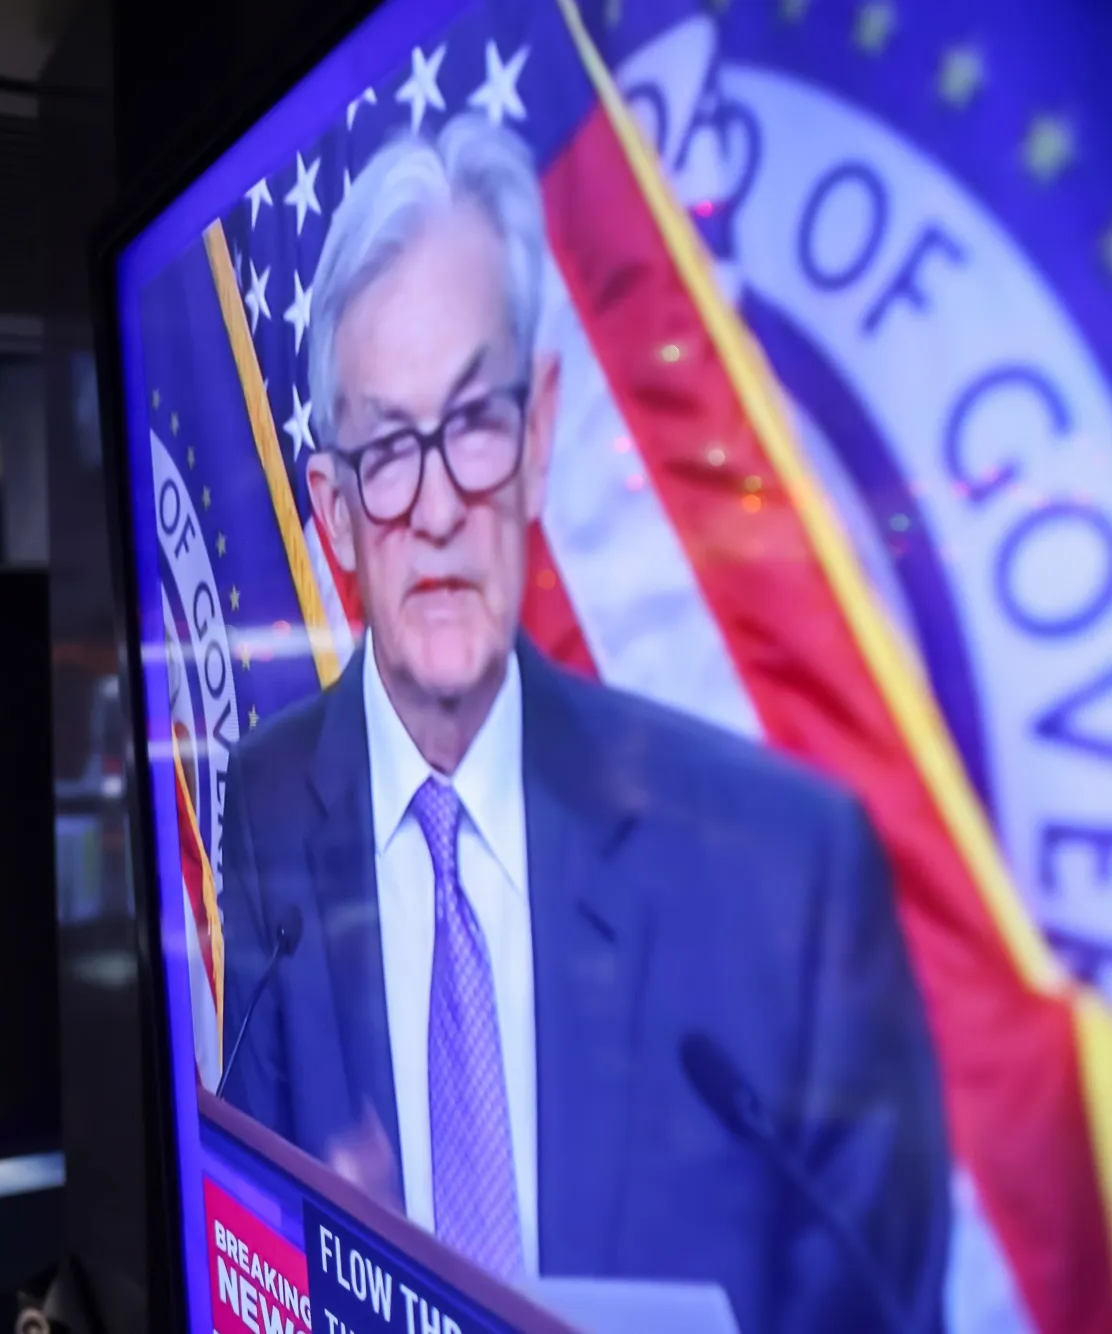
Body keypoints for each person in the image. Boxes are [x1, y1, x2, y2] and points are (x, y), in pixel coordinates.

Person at [215, 115, 951, 1334]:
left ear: (539, 433)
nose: (440, 503)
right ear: (330, 511)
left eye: (473, 423)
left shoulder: (783, 870)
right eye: (387, 449)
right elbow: (252, 1196)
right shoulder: (272, 798)